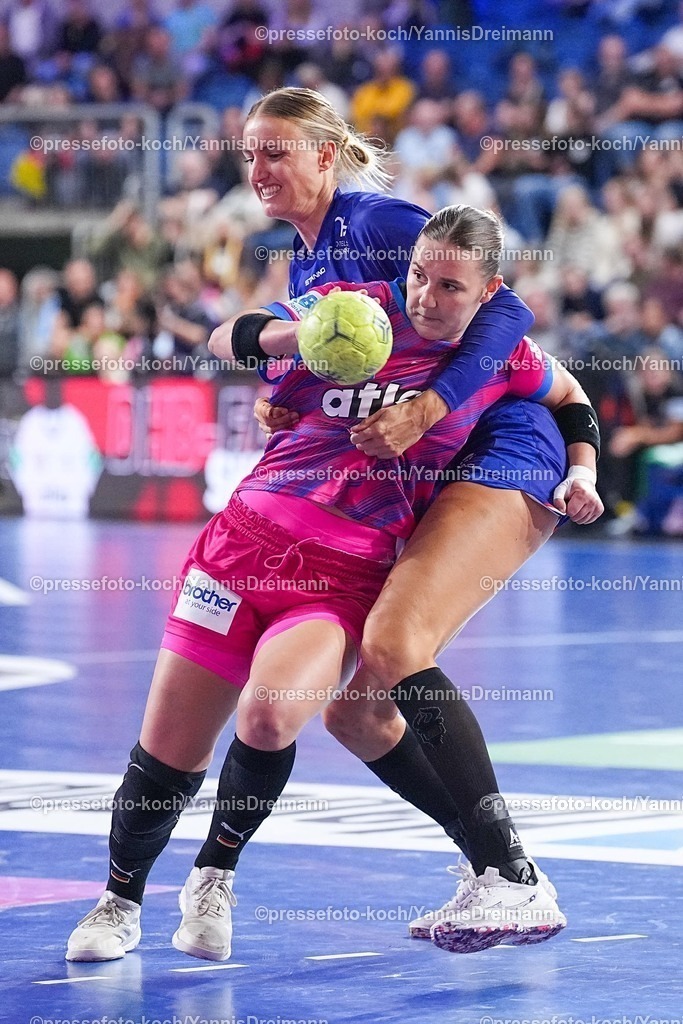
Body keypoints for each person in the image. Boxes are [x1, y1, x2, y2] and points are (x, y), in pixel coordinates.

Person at [66, 207, 598, 964]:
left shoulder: (497, 356)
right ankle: (117, 900)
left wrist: (581, 471)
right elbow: (228, 338)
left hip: (339, 577)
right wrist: (293, 346)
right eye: (418, 273)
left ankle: (214, 876)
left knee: (272, 715)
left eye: (450, 285)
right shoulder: (356, 311)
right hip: (240, 546)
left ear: (488, 294)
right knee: (167, 753)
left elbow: (571, 399)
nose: (425, 296)